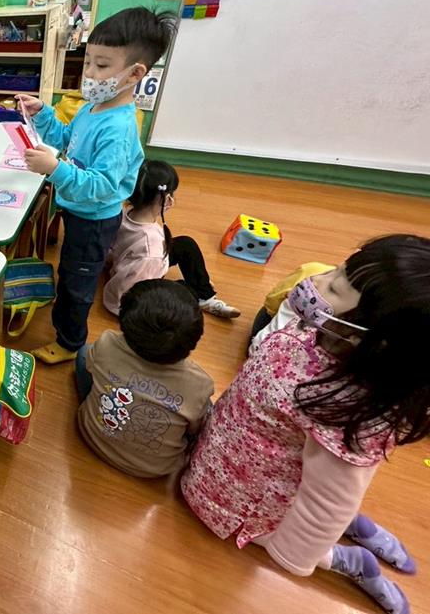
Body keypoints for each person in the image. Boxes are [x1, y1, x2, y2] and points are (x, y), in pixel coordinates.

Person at [181, 235, 430, 614]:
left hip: (245, 501)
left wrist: (294, 556)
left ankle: (349, 561)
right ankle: (353, 526)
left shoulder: (349, 411)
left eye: (334, 287)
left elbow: (329, 500)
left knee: (305, 531)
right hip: (231, 454)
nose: (315, 280)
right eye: (335, 271)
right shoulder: (327, 334)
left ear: (375, 340)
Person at [16, 7, 176, 364]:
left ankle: (71, 342)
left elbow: (102, 186)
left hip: (94, 218)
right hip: (78, 208)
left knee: (77, 284)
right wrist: (43, 113)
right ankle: (75, 300)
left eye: (101, 66)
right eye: (88, 61)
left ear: (135, 73)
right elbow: (65, 140)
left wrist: (55, 170)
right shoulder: (93, 108)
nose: (89, 73)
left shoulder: (118, 128)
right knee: (74, 270)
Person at [75, 279, 212, 478]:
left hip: (91, 436)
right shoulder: (200, 384)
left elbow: (89, 366)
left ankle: (94, 403)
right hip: (153, 470)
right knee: (205, 410)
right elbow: (194, 429)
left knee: (85, 353)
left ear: (124, 321)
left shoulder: (107, 342)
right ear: (194, 339)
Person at [103, 160, 240, 319]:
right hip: (133, 295)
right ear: (167, 199)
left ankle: (204, 293)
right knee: (184, 290)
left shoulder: (124, 211)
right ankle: (201, 293)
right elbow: (138, 290)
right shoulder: (151, 248)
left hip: (130, 264)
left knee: (185, 245)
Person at [249, 261, 335, 348]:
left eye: (332, 288)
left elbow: (271, 302)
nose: (316, 279)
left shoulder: (312, 271)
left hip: (264, 343)